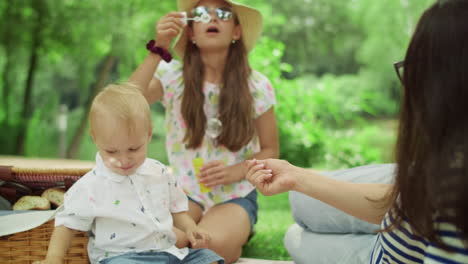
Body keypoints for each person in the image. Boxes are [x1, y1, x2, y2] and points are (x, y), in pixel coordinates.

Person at [246, 0, 468, 263]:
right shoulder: (447, 167)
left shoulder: (454, 183)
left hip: (386, 252)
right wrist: (297, 177)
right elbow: (410, 204)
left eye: (412, 68)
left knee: (295, 236)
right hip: (398, 228)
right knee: (299, 210)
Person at [128, 0, 279, 262]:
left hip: (234, 195)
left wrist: (236, 171)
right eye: (199, 13)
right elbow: (128, 100)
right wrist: (159, 48)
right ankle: (184, 238)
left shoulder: (257, 86)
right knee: (154, 238)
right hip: (184, 193)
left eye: (222, 13)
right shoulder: (173, 76)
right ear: (190, 32)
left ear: (236, 32)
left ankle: (224, 231)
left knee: (211, 246)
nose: (212, 18)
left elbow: (271, 149)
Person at [34, 84, 223, 264]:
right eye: (112, 151)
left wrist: (191, 228)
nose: (124, 160)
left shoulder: (159, 172)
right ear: (95, 139)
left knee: (208, 258)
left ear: (148, 134)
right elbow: (67, 224)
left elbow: (178, 211)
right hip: (121, 257)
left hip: (168, 252)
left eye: (133, 149)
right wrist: (54, 259)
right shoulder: (91, 185)